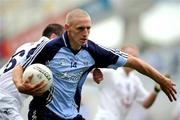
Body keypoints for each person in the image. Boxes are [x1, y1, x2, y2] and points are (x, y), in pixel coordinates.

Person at [12, 9, 176, 120]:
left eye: (88, 28)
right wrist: (20, 84)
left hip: (72, 115)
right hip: (44, 113)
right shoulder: (51, 48)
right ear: (68, 28)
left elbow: (134, 62)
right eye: (80, 28)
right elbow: (20, 66)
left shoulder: (94, 51)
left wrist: (161, 80)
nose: (85, 33)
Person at [0, 23, 64, 120]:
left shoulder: (26, 46)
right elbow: (19, 68)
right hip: (5, 99)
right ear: (53, 37)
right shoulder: (45, 45)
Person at [93, 44, 162, 120]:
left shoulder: (135, 80)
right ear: (120, 56)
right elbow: (88, 72)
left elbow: (146, 103)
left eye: (136, 57)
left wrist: (156, 90)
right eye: (130, 56)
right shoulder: (110, 71)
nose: (133, 60)